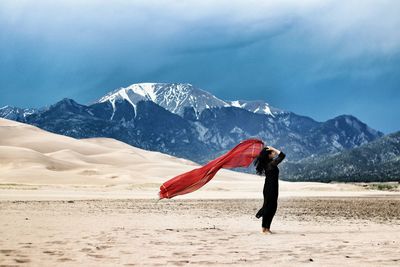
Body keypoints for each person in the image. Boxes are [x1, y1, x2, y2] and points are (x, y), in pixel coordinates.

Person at [253, 146, 286, 234]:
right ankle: (265, 228)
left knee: (270, 207)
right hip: (270, 187)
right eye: (272, 152)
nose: (274, 153)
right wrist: (273, 148)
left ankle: (266, 228)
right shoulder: (271, 164)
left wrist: (272, 149)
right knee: (270, 207)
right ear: (268, 155)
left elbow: (281, 156)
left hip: (271, 187)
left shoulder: (270, 163)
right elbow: (282, 156)